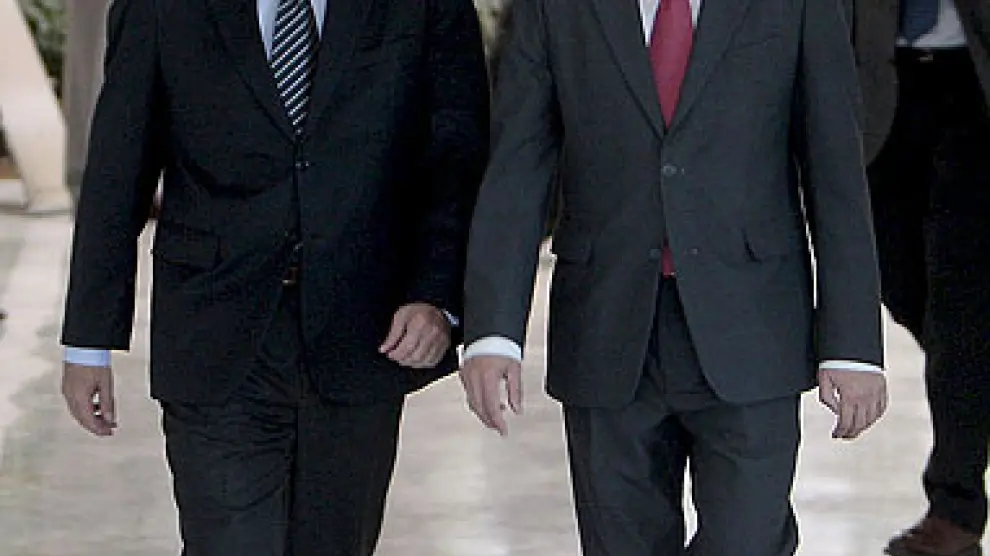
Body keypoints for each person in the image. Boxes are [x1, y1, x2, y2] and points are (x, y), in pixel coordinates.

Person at [58, 0, 488, 554]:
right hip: (216, 332)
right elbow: (119, 166)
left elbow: (457, 153)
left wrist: (436, 295)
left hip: (365, 333)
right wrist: (89, 341)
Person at [459, 0, 888, 554]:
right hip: (605, 327)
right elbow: (519, 163)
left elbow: (836, 171)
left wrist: (852, 344)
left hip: (753, 327)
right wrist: (493, 332)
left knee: (748, 541)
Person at [849, 1, 990, 554]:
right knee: (902, 286)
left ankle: (955, 508)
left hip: (973, 89)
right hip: (880, 93)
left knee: (959, 310)